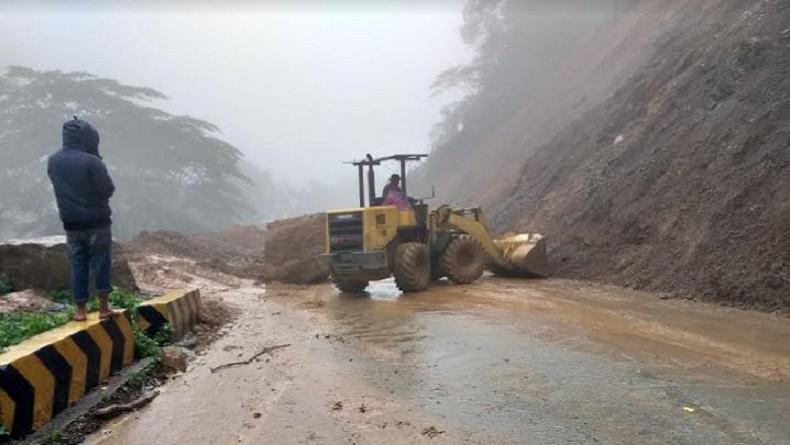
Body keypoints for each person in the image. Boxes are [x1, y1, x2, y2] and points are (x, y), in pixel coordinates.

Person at [47, 117, 116, 321]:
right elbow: (107, 189)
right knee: (101, 263)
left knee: (78, 264)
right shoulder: (92, 161)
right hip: (98, 222)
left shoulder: (53, 160)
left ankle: (80, 311)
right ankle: (104, 308)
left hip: (71, 224)